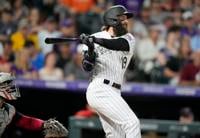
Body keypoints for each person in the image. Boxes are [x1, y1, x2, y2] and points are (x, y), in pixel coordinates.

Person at [80, 5, 141, 138]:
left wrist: (95, 41)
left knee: (115, 135)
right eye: (122, 18)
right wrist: (90, 48)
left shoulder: (129, 38)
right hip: (99, 89)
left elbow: (117, 45)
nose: (126, 21)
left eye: (126, 19)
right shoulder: (93, 38)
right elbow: (87, 67)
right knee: (132, 123)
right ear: (112, 20)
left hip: (115, 91)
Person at [0, 72, 68, 138]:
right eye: (6, 84)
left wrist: (44, 124)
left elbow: (27, 122)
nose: (11, 87)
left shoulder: (8, 109)